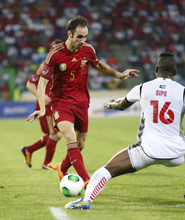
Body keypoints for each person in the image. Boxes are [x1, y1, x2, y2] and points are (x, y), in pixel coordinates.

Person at [64, 52, 185, 210]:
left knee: (105, 170)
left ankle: (86, 201)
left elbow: (122, 105)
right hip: (176, 154)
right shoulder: (184, 91)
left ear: (156, 68)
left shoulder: (142, 87)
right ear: (175, 73)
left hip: (146, 152)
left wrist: (112, 103)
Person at [27, 15, 139, 188]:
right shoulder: (54, 54)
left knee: (80, 144)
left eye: (85, 36)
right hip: (61, 101)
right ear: (69, 34)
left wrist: (120, 74)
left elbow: (99, 65)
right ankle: (87, 181)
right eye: (80, 37)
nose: (83, 40)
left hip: (81, 101)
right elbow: (41, 84)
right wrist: (42, 108)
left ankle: (62, 169)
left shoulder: (88, 50)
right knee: (69, 136)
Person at [21, 39, 62, 170]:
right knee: (56, 134)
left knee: (54, 134)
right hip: (45, 106)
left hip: (56, 104)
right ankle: (47, 163)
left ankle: (28, 150)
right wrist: (42, 96)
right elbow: (29, 84)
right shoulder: (44, 66)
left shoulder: (64, 67)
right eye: (54, 49)